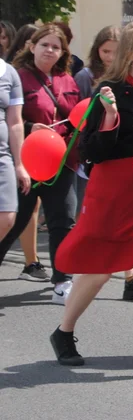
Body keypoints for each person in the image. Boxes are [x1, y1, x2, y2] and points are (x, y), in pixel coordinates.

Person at [49, 24, 133, 382]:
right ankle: (64, 330)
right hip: (115, 189)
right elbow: (90, 153)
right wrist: (109, 119)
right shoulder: (107, 94)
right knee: (100, 269)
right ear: (132, 53)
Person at [0, 24, 82, 303]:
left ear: (62, 53)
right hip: (28, 161)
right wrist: (30, 125)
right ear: (32, 46)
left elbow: (78, 116)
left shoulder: (68, 80)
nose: (50, 50)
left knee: (64, 221)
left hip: (62, 162)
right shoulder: (18, 77)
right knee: (15, 220)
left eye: (56, 47)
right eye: (44, 45)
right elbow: (10, 121)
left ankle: (63, 280)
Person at [73, 25, 133, 300]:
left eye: (116, 52)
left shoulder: (132, 79)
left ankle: (131, 277)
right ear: (97, 50)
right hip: (93, 156)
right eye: (105, 51)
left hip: (124, 159)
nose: (111, 58)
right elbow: (79, 115)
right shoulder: (86, 76)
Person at [6, 23, 46, 282]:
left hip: (35, 151)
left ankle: (31, 261)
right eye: (39, 43)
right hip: (14, 149)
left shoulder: (49, 76)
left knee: (29, 208)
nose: (44, 49)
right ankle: (31, 261)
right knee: (18, 210)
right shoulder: (14, 73)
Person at [0, 52, 29, 260]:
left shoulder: (9, 72)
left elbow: (16, 122)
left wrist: (20, 164)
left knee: (7, 216)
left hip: (3, 156)